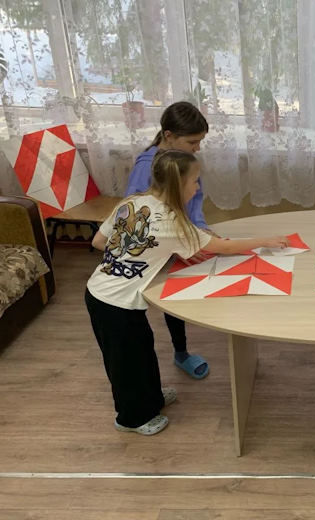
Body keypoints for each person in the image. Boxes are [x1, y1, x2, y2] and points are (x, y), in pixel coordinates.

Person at [86, 149, 289, 435]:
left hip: (99, 291)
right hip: (115, 303)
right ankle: (132, 419)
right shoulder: (173, 223)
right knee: (125, 363)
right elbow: (223, 247)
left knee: (142, 352)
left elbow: (98, 241)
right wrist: (266, 240)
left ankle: (151, 398)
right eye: (195, 181)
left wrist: (137, 254)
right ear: (178, 184)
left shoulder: (132, 202)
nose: (197, 187)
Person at [125, 101, 213, 380]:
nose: (197, 148)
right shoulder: (146, 167)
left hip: (179, 238)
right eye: (192, 142)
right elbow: (134, 217)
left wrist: (201, 229)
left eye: (200, 142)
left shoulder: (184, 161)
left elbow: (194, 201)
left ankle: (180, 351)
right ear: (169, 136)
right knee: (164, 296)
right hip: (155, 248)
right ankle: (180, 352)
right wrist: (177, 245)